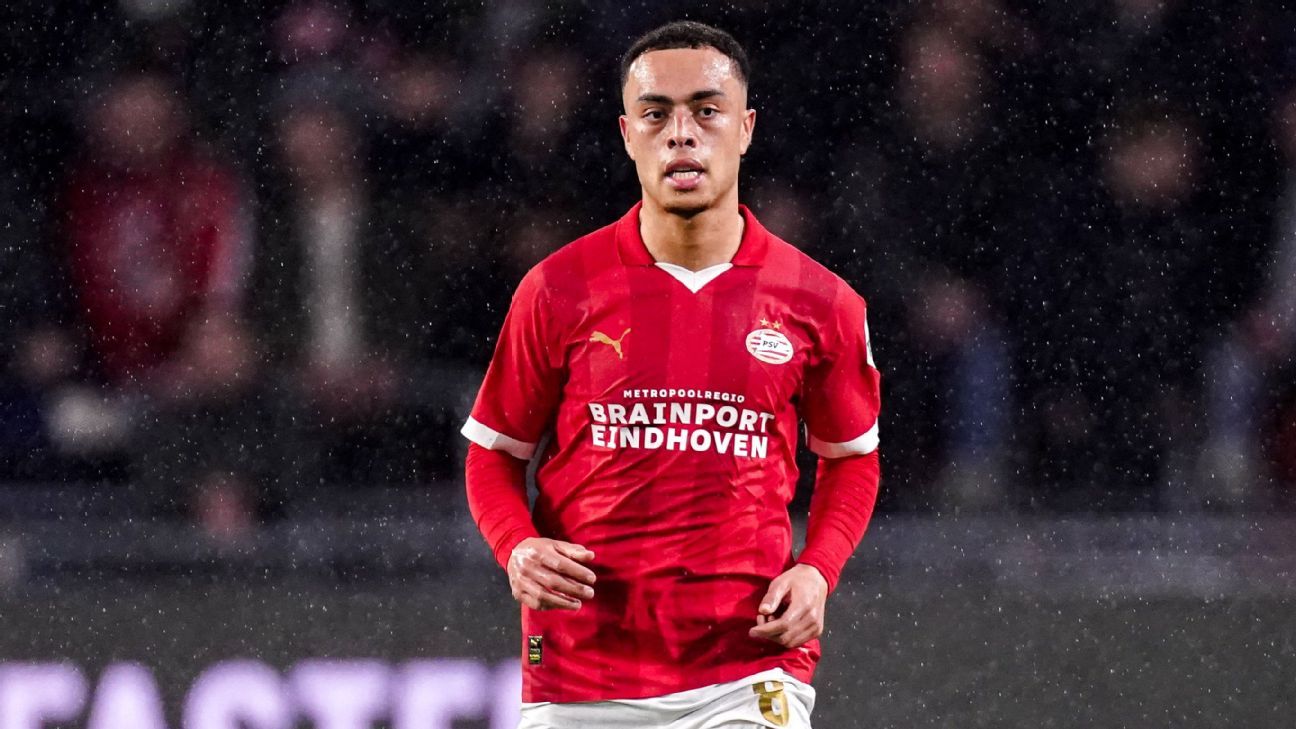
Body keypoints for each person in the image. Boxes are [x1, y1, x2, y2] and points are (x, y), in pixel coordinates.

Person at [462, 21, 881, 727]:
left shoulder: (823, 301)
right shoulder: (557, 288)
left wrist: (818, 569)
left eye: (706, 111)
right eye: (656, 114)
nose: (681, 134)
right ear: (628, 135)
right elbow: (494, 453)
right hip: (581, 665)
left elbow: (852, 459)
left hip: (747, 662)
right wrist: (517, 546)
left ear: (745, 129)